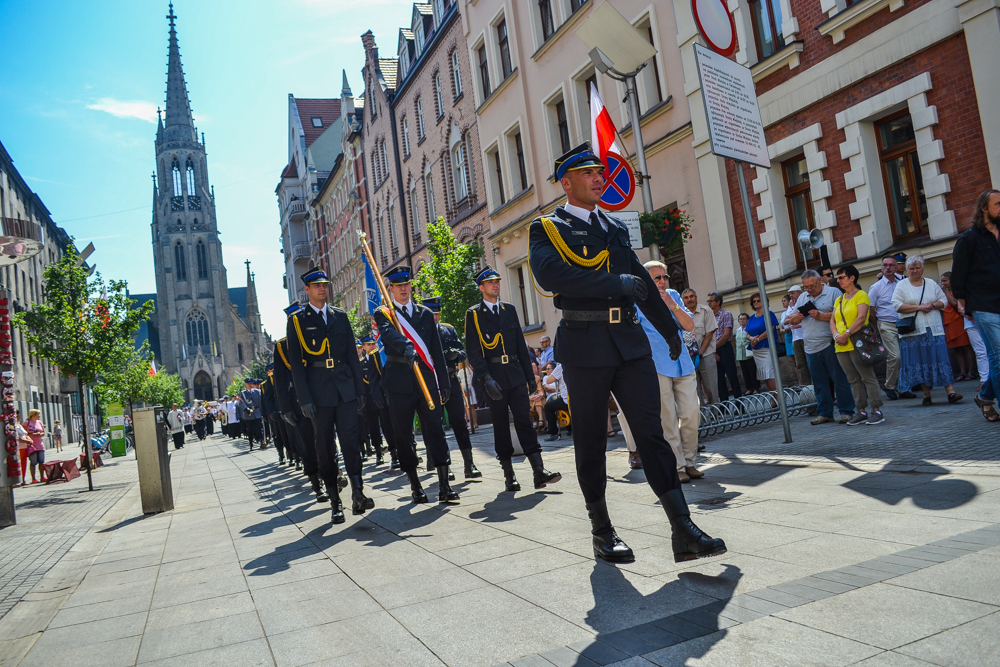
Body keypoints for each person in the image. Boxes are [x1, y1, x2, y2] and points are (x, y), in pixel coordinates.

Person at [529, 141, 724, 564]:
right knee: (591, 440)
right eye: (589, 174)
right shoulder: (548, 228)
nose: (600, 178)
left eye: (601, 172)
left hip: (630, 343)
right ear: (567, 182)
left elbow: (638, 279)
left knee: (652, 433)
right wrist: (612, 285)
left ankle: (683, 529)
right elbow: (551, 275)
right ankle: (602, 531)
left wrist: (670, 330)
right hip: (585, 345)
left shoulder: (615, 228)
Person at [287, 267, 373, 522]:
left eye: (325, 285)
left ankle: (358, 492)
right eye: (317, 286)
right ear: (307, 290)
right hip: (318, 393)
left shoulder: (340, 316)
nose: (322, 289)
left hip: (344, 388)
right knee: (324, 447)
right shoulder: (298, 321)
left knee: (351, 441)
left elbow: (351, 357)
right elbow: (297, 366)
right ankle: (335, 502)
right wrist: (304, 399)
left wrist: (359, 389)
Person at [465, 267, 560, 492]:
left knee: (524, 421)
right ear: (481, 287)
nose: (495, 285)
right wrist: (485, 378)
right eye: (490, 283)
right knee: (500, 425)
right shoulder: (475, 314)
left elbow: (520, 342)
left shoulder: (509, 309)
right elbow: (474, 351)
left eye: (497, 281)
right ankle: (509, 474)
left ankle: (539, 471)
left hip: (515, 373)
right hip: (494, 376)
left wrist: (530, 378)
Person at [373, 265, 460, 505]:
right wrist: (405, 345)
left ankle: (444, 486)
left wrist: (443, 382)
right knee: (404, 435)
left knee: (436, 430)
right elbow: (388, 334)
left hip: (426, 381)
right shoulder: (384, 313)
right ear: (390, 288)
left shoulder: (423, 313)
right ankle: (415, 484)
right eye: (398, 285)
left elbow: (436, 351)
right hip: (399, 382)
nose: (403, 289)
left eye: (406, 284)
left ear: (411, 286)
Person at [619, 261, 702, 482]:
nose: (663, 281)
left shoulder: (673, 294)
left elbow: (689, 326)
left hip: (682, 362)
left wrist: (672, 305)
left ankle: (690, 460)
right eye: (657, 278)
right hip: (656, 364)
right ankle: (678, 466)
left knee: (692, 412)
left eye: (664, 277)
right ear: (646, 279)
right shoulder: (636, 299)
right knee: (668, 418)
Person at [951, 189, 1000, 422]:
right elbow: (958, 277)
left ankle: (986, 396)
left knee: (997, 358)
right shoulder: (969, 238)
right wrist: (965, 308)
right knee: (999, 357)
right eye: (998, 204)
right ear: (984, 208)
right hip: (984, 306)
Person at [787, 269, 856, 424]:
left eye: (812, 286)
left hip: (830, 343)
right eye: (806, 287)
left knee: (839, 379)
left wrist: (820, 316)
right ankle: (825, 412)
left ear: (819, 281)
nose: (809, 290)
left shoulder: (833, 293)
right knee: (819, 382)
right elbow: (790, 319)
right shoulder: (803, 297)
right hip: (810, 346)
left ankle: (846, 411)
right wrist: (797, 317)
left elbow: (842, 315)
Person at [892, 256, 962, 405]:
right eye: (911, 268)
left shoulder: (930, 283)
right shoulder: (902, 285)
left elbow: (943, 301)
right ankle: (926, 394)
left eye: (918, 268)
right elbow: (897, 305)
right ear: (907, 269)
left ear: (923, 269)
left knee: (940, 358)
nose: (915, 271)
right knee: (919, 361)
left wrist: (932, 305)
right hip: (913, 331)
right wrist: (919, 307)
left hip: (934, 328)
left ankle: (950, 392)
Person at [424, 296, 482, 479]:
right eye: (431, 314)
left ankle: (468, 463)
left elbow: (463, 352)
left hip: (450, 379)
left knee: (459, 422)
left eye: (437, 314)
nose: (435, 317)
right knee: (436, 425)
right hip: (431, 383)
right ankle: (444, 466)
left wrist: (455, 355)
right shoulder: (420, 333)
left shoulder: (448, 330)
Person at [831, 265, 884, 425]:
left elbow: (861, 318)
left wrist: (846, 334)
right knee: (853, 379)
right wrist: (836, 335)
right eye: (838, 278)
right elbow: (832, 320)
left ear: (852, 278)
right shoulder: (839, 299)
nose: (838, 280)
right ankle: (860, 411)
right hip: (841, 344)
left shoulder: (861, 295)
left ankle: (877, 410)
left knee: (867, 377)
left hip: (857, 343)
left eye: (841, 277)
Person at [867, 255, 913, 400]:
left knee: (905, 356)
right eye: (885, 265)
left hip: (905, 323)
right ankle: (889, 385)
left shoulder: (903, 283)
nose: (888, 268)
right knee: (895, 355)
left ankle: (902, 387)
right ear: (881, 268)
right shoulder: (876, 287)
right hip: (886, 324)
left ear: (896, 267)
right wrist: (878, 325)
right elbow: (871, 310)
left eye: (891, 265)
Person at [682, 289, 719, 404]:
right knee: (694, 390)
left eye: (692, 296)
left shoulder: (706, 311)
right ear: (683, 300)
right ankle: (701, 418)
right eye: (686, 297)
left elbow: (709, 334)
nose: (690, 299)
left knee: (710, 388)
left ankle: (716, 416)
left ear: (696, 298)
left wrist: (700, 352)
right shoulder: (680, 313)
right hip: (688, 358)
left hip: (706, 354)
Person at [940, 272, 976, 382]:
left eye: (945, 280)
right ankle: (962, 372)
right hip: (949, 322)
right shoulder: (941, 292)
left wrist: (946, 292)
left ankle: (971, 371)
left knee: (966, 347)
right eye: (942, 281)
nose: (943, 283)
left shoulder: (956, 291)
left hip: (959, 321)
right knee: (957, 349)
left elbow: (955, 304)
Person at [708, 292, 742, 401]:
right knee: (719, 380)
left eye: (711, 301)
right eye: (708, 301)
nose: (709, 303)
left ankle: (739, 404)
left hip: (725, 348)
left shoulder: (726, 314)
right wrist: (713, 351)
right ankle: (724, 406)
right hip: (714, 350)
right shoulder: (709, 316)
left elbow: (726, 335)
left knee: (732, 377)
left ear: (718, 302)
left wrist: (714, 348)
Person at [745, 294, 780, 393]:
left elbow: (770, 329)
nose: (756, 302)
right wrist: (752, 338)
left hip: (767, 347)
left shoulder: (769, 314)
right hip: (756, 350)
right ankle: (773, 398)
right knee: (764, 376)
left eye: (758, 300)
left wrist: (757, 339)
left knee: (770, 374)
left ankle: (779, 398)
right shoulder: (751, 318)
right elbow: (747, 333)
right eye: (754, 301)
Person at [543, 361, 572, 443]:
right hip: (579, 398)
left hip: (567, 400)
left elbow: (549, 381)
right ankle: (569, 429)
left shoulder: (560, 367)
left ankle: (554, 433)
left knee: (548, 407)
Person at [735, 313, 760, 394]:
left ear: (747, 320)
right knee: (745, 372)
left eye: (743, 319)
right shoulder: (737, 330)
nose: (742, 320)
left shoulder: (749, 329)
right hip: (740, 353)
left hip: (749, 352)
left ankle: (756, 387)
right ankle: (749, 388)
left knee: (752, 371)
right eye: (740, 319)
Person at [237, 379, 263, 450]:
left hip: (257, 412)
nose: (250, 385)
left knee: (259, 428)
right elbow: (240, 403)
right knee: (250, 430)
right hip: (248, 414)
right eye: (248, 383)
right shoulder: (243, 393)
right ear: (246, 384)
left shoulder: (257, 392)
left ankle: (261, 441)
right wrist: (246, 408)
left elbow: (260, 402)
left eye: (251, 383)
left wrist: (262, 411)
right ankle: (251, 443)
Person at [23, 409, 46, 484]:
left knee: (41, 461)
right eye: (38, 415)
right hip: (31, 446)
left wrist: (40, 434)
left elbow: (43, 432)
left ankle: (42, 477)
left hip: (40, 444)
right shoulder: (27, 422)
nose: (39, 416)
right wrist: (32, 435)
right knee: (33, 462)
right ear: (33, 415)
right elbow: (23, 434)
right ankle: (33, 478)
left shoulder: (39, 422)